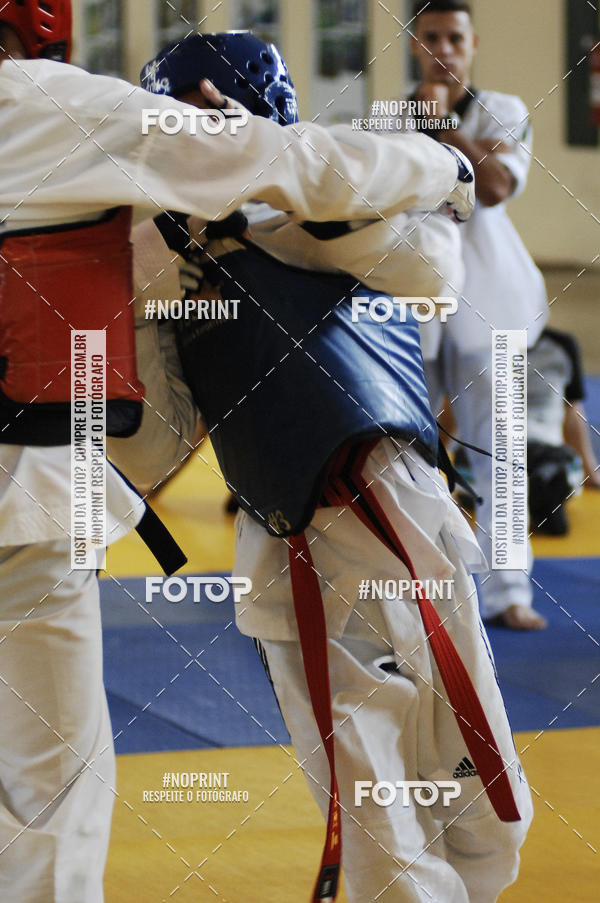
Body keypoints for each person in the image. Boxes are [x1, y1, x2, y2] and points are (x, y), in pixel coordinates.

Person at [0, 5, 477, 901]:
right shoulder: (66, 124)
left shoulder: (169, 227)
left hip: (356, 502)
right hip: (69, 506)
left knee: (436, 740)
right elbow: (293, 169)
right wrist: (443, 162)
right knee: (55, 783)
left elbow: (140, 408)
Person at [110, 32, 532, 903]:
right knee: (347, 747)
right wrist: (144, 304)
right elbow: (152, 447)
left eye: (210, 124)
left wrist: (271, 185)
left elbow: (431, 273)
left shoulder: (344, 195)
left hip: (389, 498)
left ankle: (476, 882)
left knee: (463, 727)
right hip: (280, 528)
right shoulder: (167, 254)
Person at [398, 0, 550, 630]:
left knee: (502, 449)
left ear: (473, 42)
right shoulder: (388, 119)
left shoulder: (504, 110)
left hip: (493, 304)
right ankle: (418, 587)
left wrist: (441, 128)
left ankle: (507, 589)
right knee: (407, 451)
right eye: (431, 36)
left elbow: (491, 188)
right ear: (413, 42)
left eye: (455, 38)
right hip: (414, 304)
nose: (444, 49)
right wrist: (430, 128)